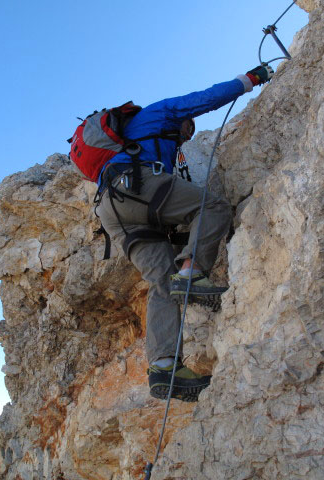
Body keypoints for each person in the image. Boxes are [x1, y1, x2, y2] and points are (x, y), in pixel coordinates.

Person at [95, 66, 273, 401]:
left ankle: (164, 367)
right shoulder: (157, 114)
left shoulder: (130, 145)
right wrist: (250, 80)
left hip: (112, 208)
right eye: (187, 129)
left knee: (162, 281)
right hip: (136, 186)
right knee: (213, 207)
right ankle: (192, 274)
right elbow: (203, 99)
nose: (187, 135)